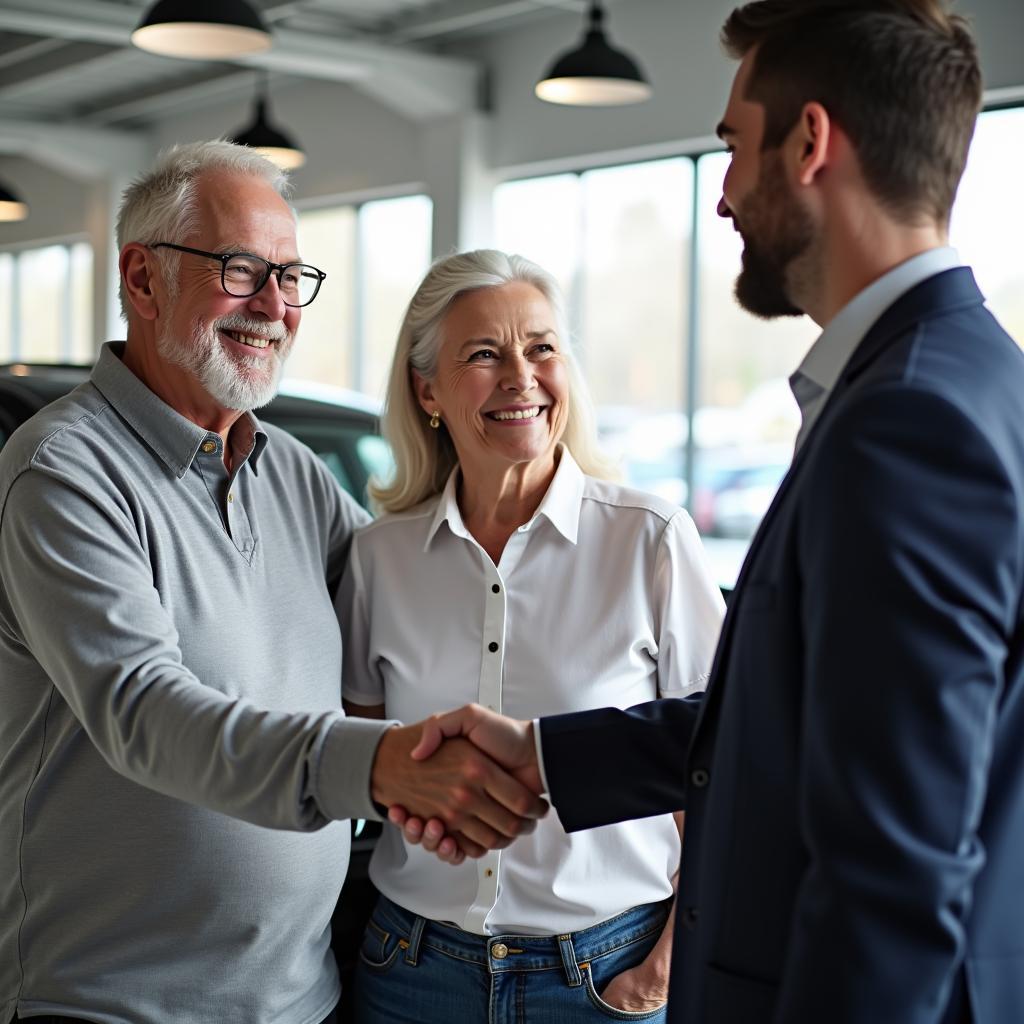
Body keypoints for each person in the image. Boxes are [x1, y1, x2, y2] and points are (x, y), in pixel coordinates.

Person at [395, 2, 1024, 1022]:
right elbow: (796, 717)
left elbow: (892, 865)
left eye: (732, 146)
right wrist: (548, 755)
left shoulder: (907, 419)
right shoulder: (963, 376)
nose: (724, 193)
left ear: (808, 142)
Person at [0, 142, 545, 1024]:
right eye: (242, 269)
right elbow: (144, 709)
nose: (276, 306)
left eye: (292, 277)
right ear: (143, 280)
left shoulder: (289, 473)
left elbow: (410, 616)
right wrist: (382, 771)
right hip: (107, 1005)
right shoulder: (63, 474)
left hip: (301, 997)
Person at [337, 249, 724, 1022]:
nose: (521, 376)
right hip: (413, 971)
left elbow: (723, 766)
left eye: (541, 347)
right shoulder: (379, 557)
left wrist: (664, 970)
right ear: (428, 392)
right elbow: (354, 761)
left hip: (603, 974)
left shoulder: (648, 540)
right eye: (483, 354)